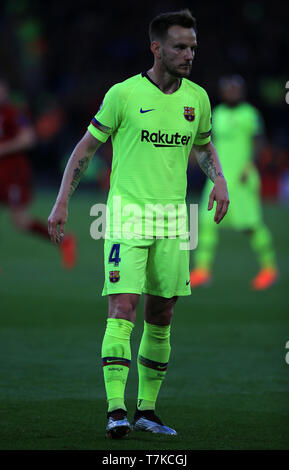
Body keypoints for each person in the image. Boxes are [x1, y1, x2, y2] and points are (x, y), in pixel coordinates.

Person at [48, 9, 229, 439]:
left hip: (172, 218)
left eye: (193, 47)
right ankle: (115, 410)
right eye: (180, 47)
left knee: (162, 312)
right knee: (123, 307)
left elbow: (203, 146)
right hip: (126, 216)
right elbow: (84, 150)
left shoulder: (197, 99)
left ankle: (147, 409)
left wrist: (218, 178)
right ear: (157, 48)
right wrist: (61, 203)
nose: (189, 54)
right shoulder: (124, 95)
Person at [190, 75, 278, 290]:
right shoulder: (216, 114)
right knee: (206, 223)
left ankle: (269, 269)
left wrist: (250, 165)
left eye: (235, 89)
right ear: (222, 92)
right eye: (228, 89)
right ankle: (202, 270)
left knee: (251, 225)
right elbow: (205, 143)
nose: (232, 92)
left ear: (241, 91)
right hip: (217, 178)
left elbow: (259, 143)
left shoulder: (250, 114)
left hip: (242, 178)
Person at [0, 79, 76, 270]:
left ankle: (64, 240)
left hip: (12, 173)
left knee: (21, 221)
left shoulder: (13, 112)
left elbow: (28, 138)